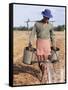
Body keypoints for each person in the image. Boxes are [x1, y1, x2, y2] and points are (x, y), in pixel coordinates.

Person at [29, 9, 56, 83]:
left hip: (47, 44)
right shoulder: (37, 24)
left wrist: (54, 45)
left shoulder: (50, 25)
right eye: (46, 17)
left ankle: (43, 75)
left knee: (45, 61)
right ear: (43, 16)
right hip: (39, 43)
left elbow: (53, 36)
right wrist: (30, 42)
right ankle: (43, 69)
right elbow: (32, 34)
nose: (47, 19)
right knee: (39, 62)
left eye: (48, 18)